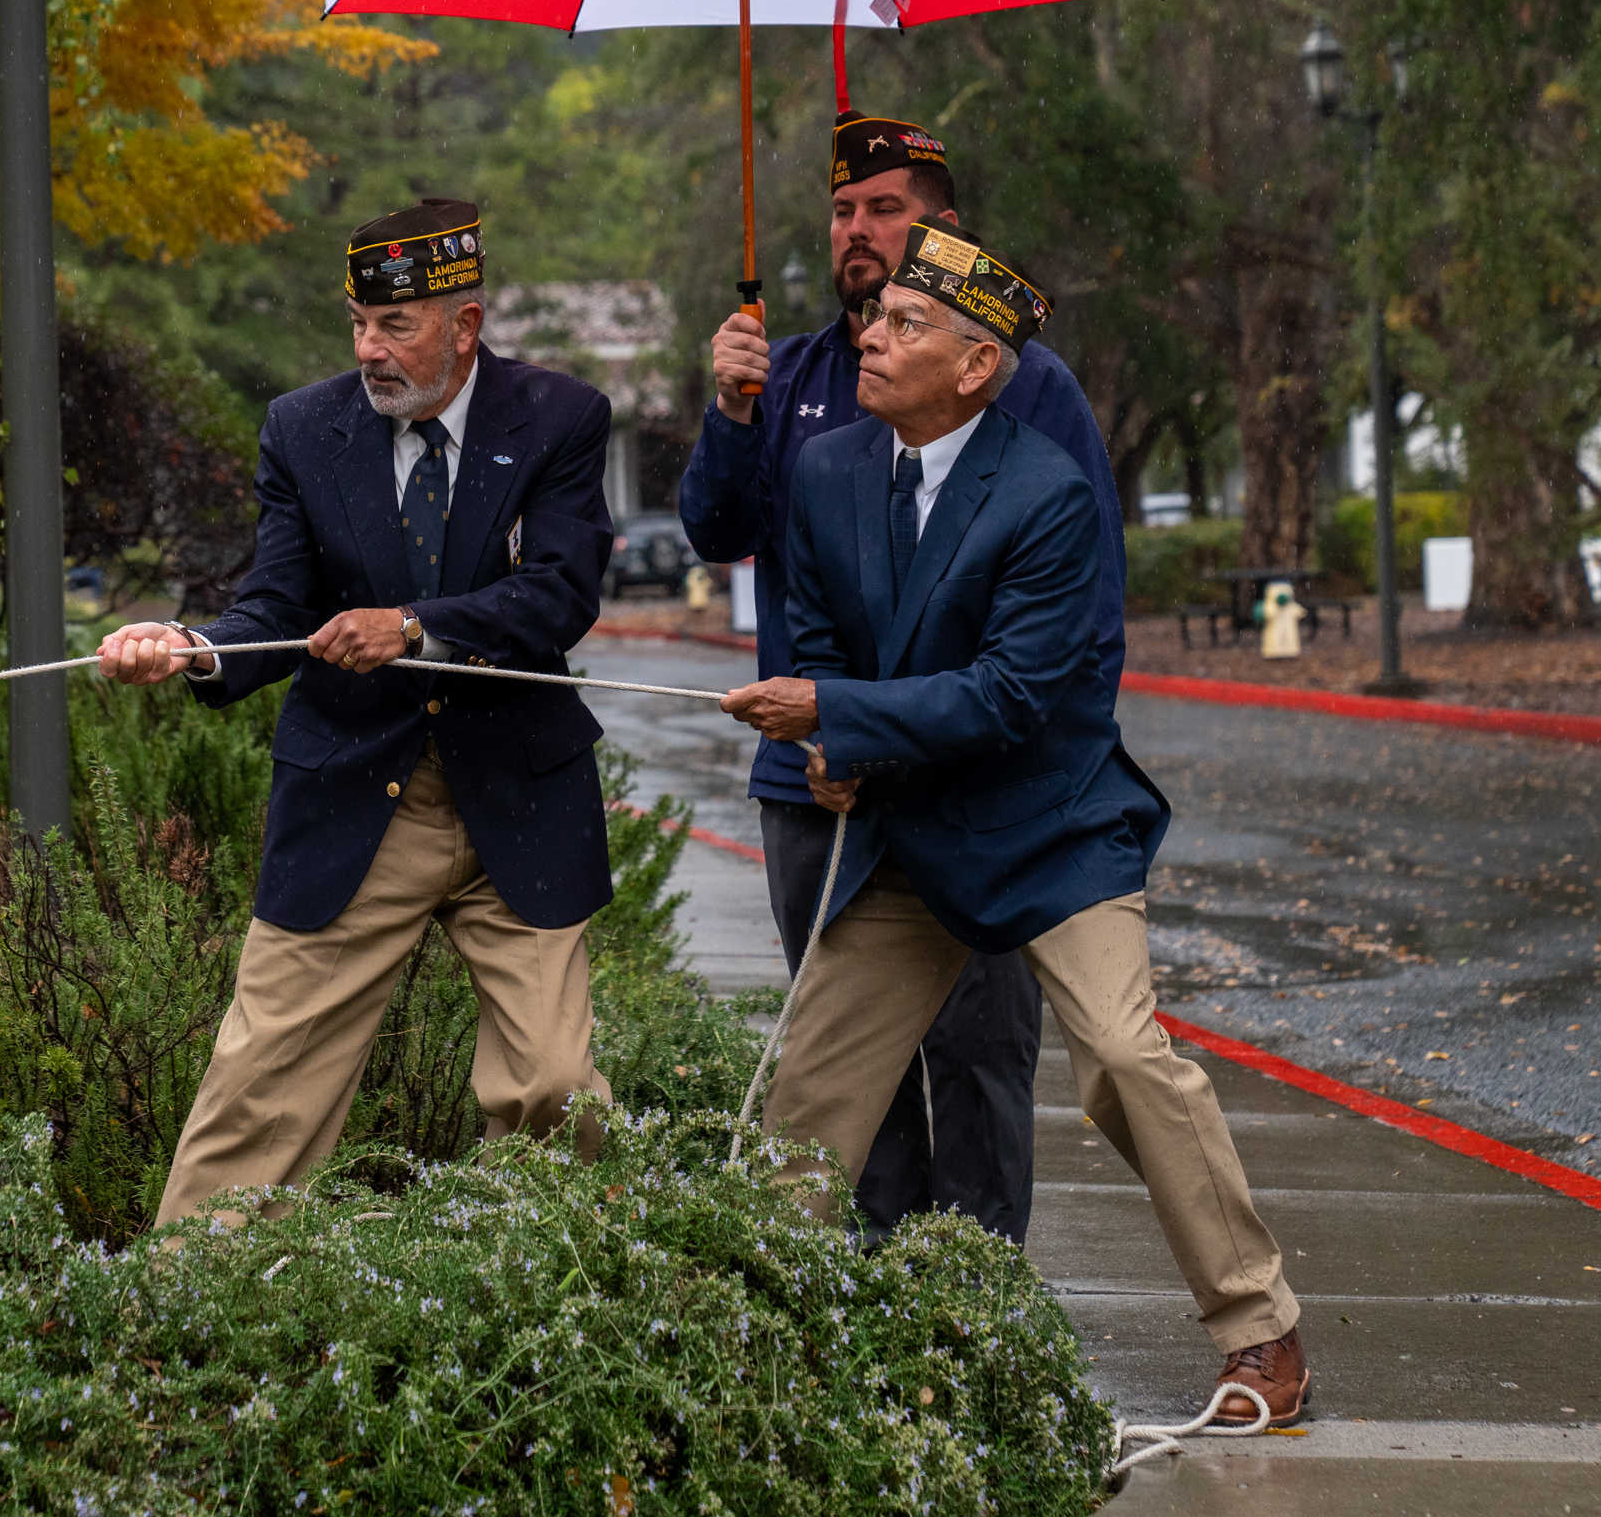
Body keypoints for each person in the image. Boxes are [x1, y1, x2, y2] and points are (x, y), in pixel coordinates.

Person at [721, 215, 1309, 1425]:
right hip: (906, 828)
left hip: (1050, 830)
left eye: (906, 324)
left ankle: (1264, 1334)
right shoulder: (829, 472)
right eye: (877, 319)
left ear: (977, 366)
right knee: (813, 1094)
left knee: (1128, 1067)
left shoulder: (1045, 493)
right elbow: (825, 638)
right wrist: (829, 748)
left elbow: (1011, 695)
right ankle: (735, 1333)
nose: (871, 335)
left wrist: (837, 706)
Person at [95, 198, 620, 1226]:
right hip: (353, 794)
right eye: (357, 323)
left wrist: (416, 624)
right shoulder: (303, 425)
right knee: (263, 1083)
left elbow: (561, 593)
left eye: (396, 327)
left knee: (555, 1088)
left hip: (515, 796)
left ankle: (554, 1312)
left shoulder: (560, 415)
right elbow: (275, 604)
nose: (369, 349)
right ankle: (185, 1317)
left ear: (465, 325)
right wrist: (195, 648)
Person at [678, 107, 1126, 1247]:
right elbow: (717, 529)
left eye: (886, 209)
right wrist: (732, 410)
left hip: (976, 795)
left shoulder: (1025, 382)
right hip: (817, 793)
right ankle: (866, 1317)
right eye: (841, 210)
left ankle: (977, 1307)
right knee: (847, 1081)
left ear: (943, 231)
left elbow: (1074, 614)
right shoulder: (793, 377)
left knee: (979, 1060)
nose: (858, 231)